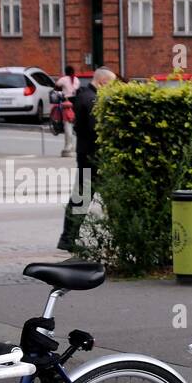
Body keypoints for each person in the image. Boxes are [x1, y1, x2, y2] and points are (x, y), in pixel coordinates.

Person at [61, 66, 115, 252]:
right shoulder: (91, 99)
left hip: (86, 154)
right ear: (102, 82)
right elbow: (96, 129)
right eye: (111, 84)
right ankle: (68, 238)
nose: (112, 89)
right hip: (93, 156)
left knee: (81, 198)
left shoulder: (83, 96)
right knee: (85, 198)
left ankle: (68, 237)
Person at [55, 65, 81, 157]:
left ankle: (68, 146)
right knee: (73, 124)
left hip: (66, 103)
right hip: (76, 103)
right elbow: (77, 90)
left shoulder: (64, 79)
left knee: (67, 125)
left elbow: (56, 85)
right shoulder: (77, 80)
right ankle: (73, 146)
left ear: (66, 71)